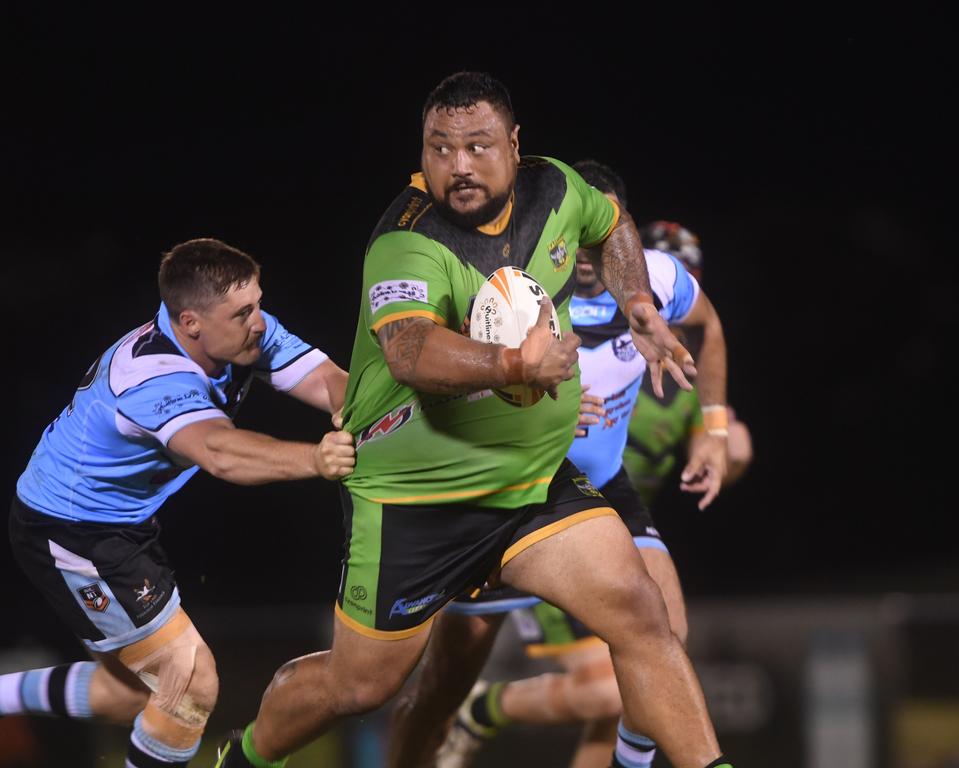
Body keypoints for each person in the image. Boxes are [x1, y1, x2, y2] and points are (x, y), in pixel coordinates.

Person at [215, 73, 731, 768]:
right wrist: (519, 365)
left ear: (515, 147)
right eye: (441, 148)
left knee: (644, 617)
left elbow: (611, 226)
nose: (458, 166)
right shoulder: (405, 240)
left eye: (478, 146)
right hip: (416, 502)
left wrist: (637, 300)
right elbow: (411, 351)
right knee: (360, 685)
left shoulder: (556, 189)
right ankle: (243, 757)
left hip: (532, 484)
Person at [388, 161, 733, 768]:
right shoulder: (512, 286)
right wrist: (531, 409)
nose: (589, 251)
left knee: (663, 638)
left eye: (602, 234)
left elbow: (707, 328)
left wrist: (715, 426)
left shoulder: (656, 281)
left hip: (598, 489)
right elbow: (436, 381)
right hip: (509, 492)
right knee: (439, 688)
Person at [0, 238, 355, 768]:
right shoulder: (153, 376)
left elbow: (331, 384)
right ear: (190, 323)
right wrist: (317, 460)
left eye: (258, 303)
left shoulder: (237, 334)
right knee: (187, 685)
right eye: (243, 313)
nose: (259, 322)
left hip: (116, 525)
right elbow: (219, 452)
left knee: (132, 697)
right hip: (73, 532)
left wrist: (381, 419)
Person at [624, 221, 752, 505]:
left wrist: (729, 454)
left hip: (630, 513)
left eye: (682, 280)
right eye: (655, 278)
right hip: (564, 499)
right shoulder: (598, 332)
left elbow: (702, 463)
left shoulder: (696, 377)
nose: (666, 293)